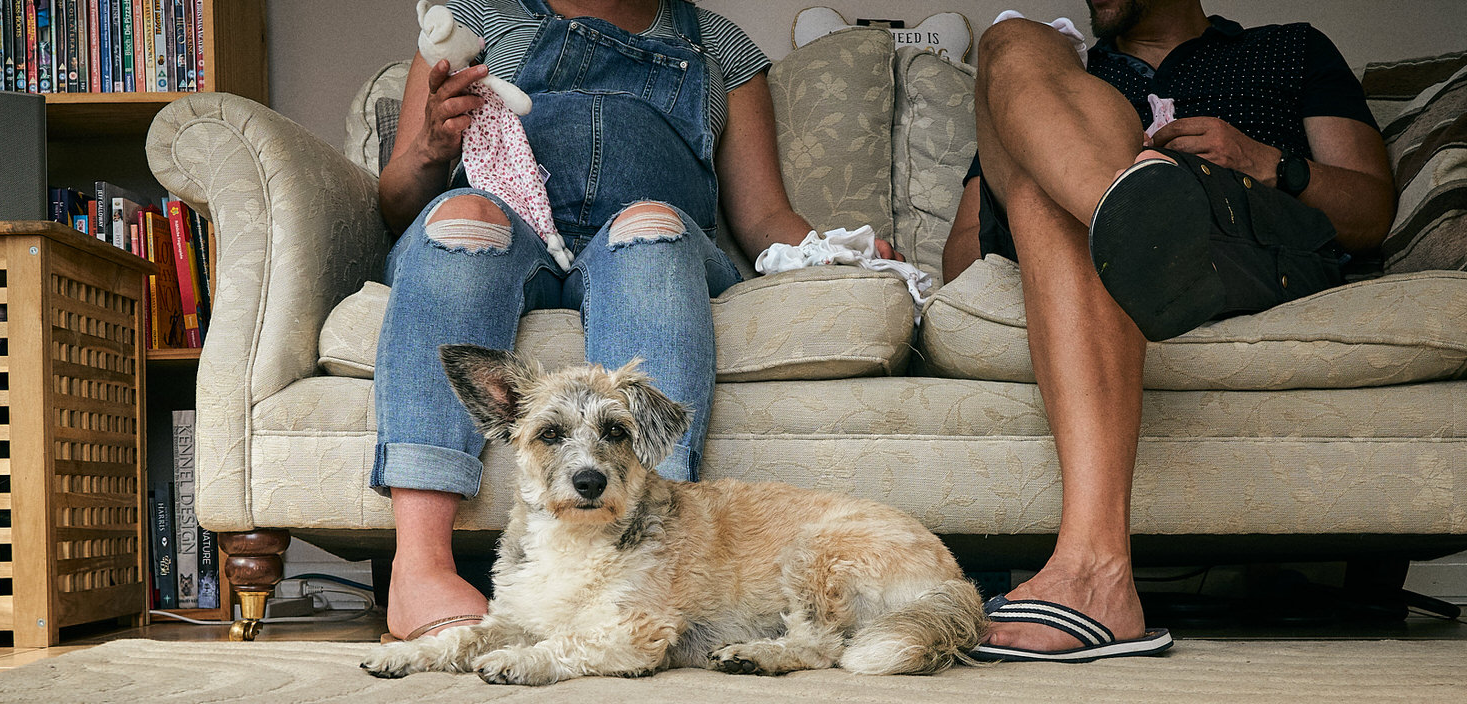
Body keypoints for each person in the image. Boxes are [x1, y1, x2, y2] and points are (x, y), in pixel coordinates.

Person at [374, 0, 896, 643]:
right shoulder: (472, 21)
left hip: (648, 245)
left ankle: (651, 571)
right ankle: (419, 566)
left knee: (648, 227)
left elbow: (762, 218)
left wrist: (843, 252)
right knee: (460, 222)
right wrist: (430, 147)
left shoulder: (723, 49)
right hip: (509, 236)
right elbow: (399, 204)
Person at [943, 0, 1395, 661]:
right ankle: (1123, 212)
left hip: (1239, 231)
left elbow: (1371, 210)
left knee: (1058, 187)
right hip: (1072, 235)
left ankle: (1095, 574)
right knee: (1014, 48)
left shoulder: (1289, 49)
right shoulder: (1061, 78)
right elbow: (962, 255)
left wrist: (1267, 161)